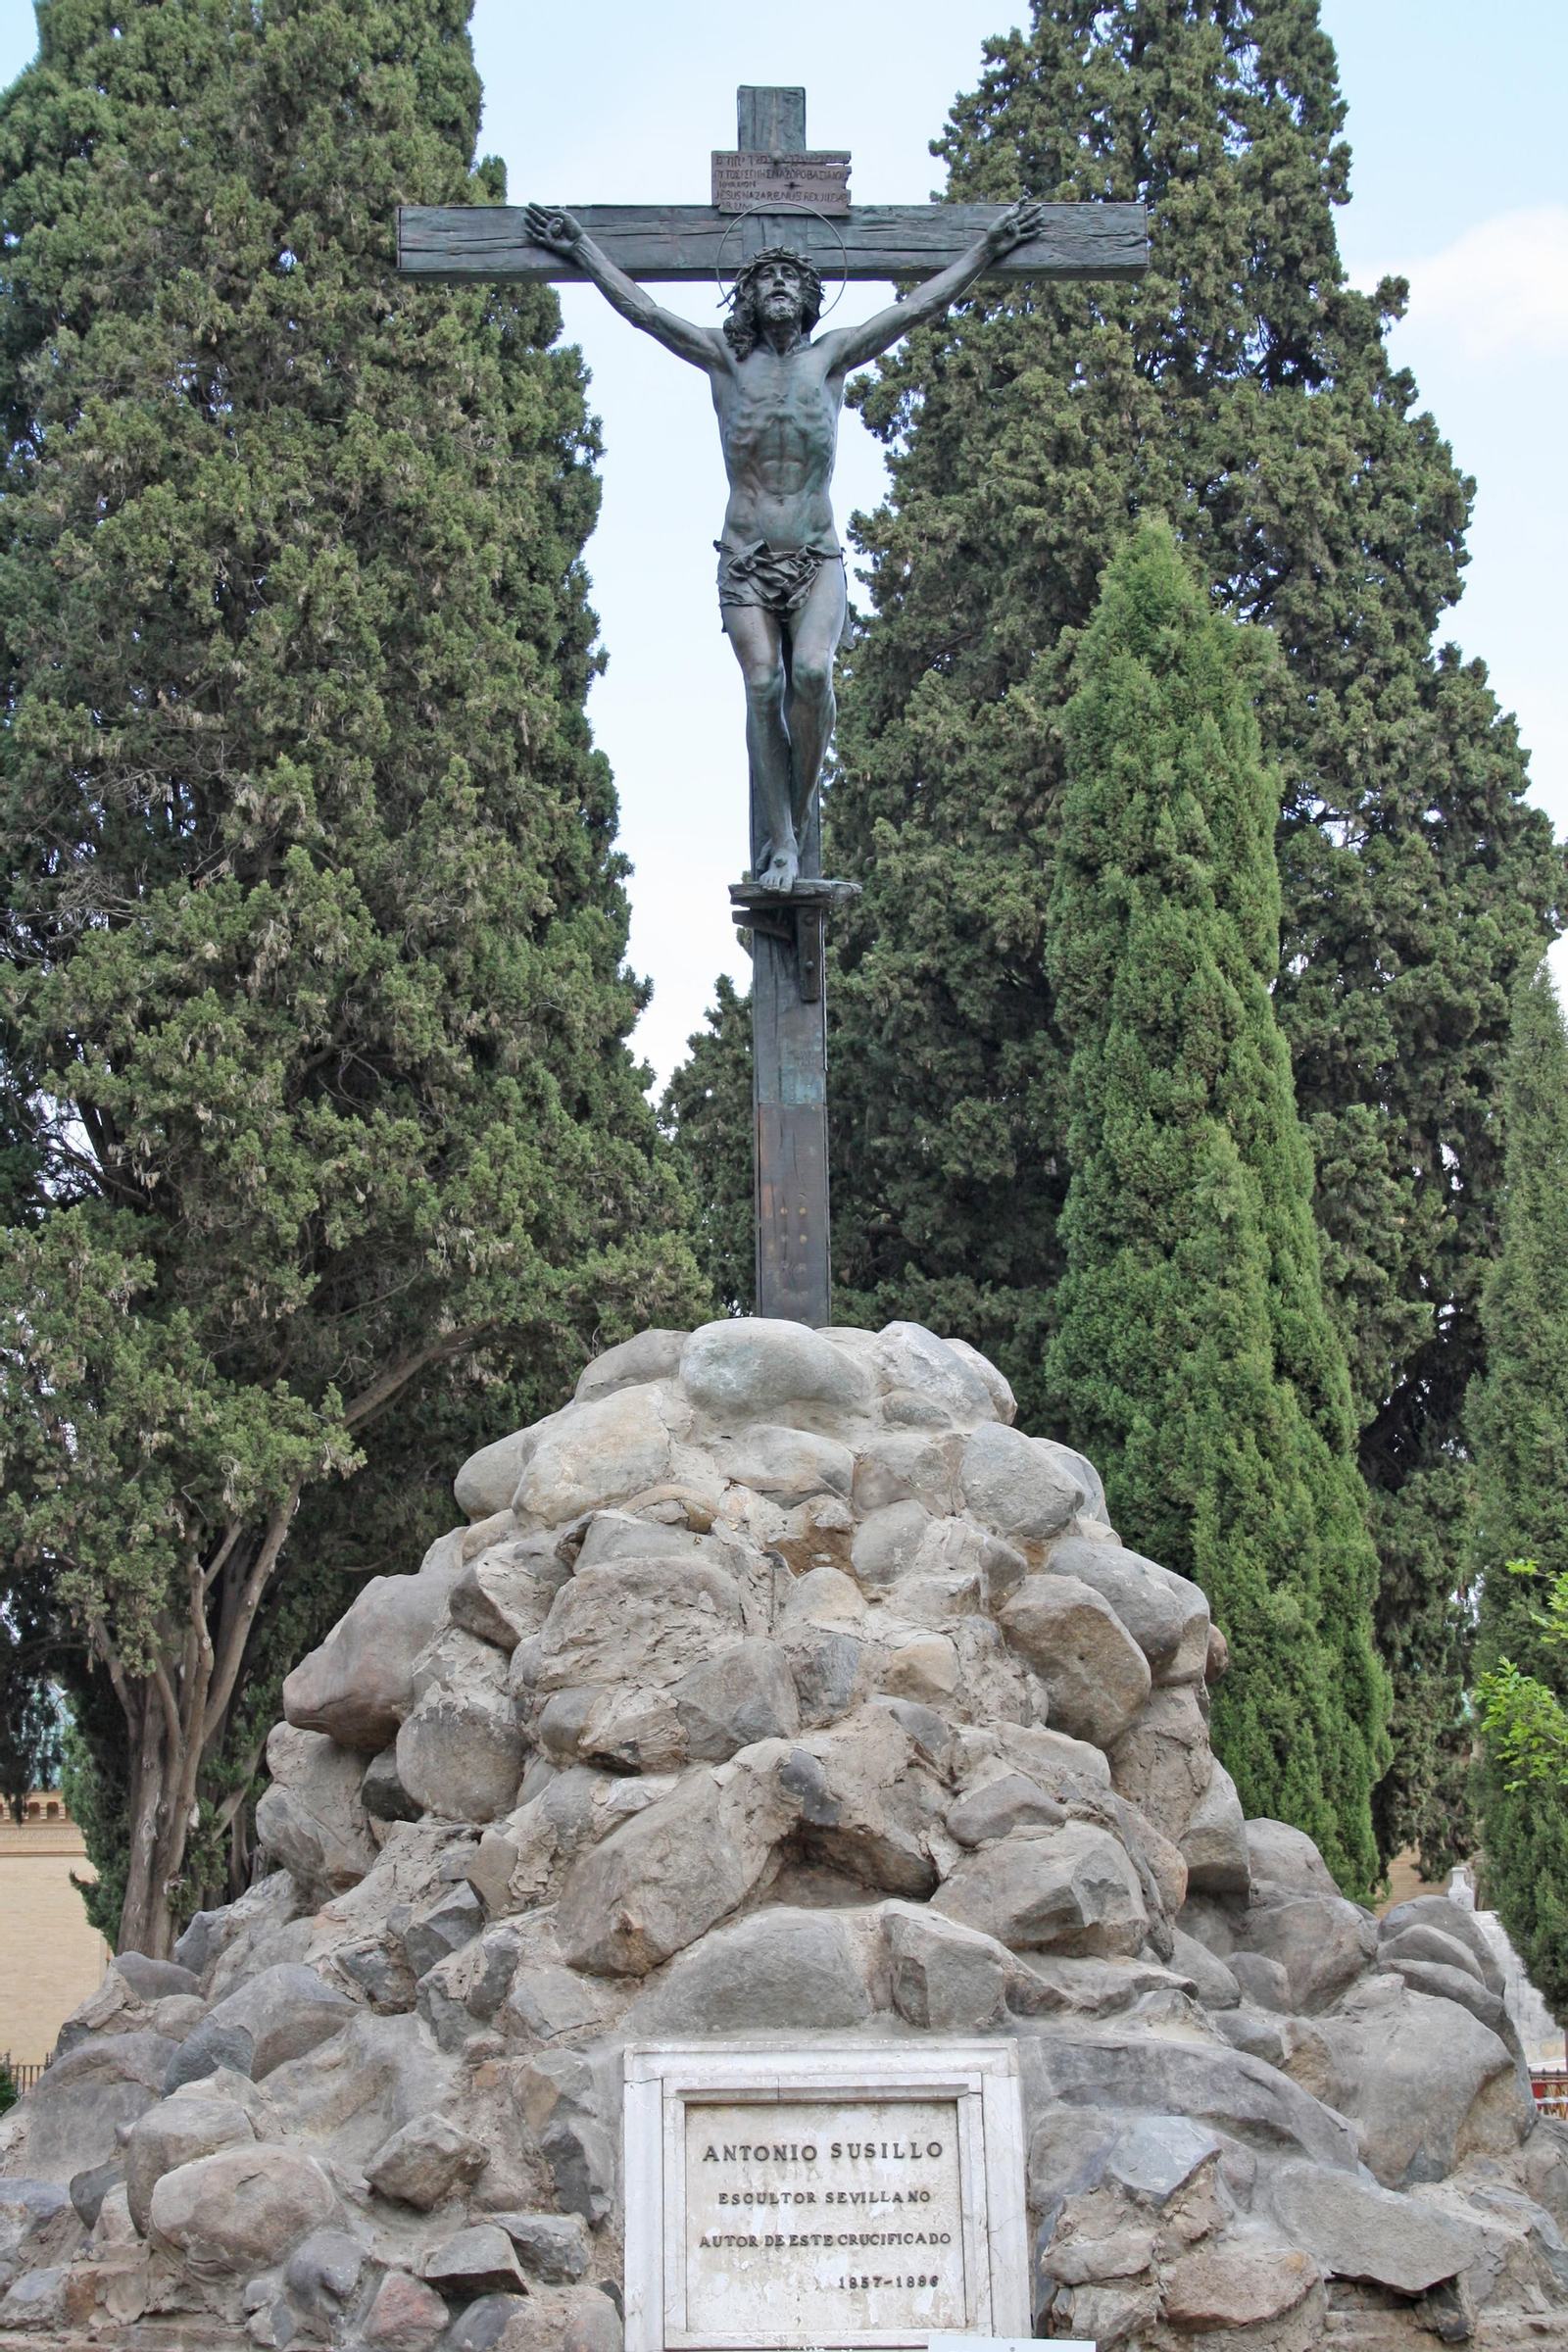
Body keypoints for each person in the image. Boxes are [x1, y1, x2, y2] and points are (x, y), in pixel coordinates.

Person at [523, 198, 1045, 890]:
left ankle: (792, 828)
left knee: (813, 676)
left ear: (808, 298)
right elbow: (645, 311)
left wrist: (984, 252)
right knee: (764, 683)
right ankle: (785, 846)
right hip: (744, 558)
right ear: (745, 294)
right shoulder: (724, 360)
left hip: (816, 555)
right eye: (762, 277)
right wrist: (582, 249)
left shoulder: (831, 359)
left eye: (789, 279)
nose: (775, 285)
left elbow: (915, 309)